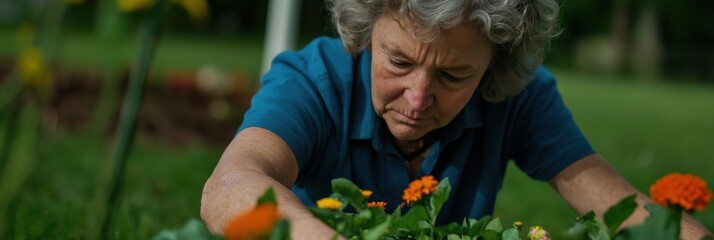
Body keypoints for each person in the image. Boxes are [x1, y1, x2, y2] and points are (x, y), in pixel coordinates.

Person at [201, 0, 713, 239]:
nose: (418, 98)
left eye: (453, 76)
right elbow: (230, 186)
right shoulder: (313, 80)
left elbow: (625, 210)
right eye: (398, 62)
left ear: (497, 65)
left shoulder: (518, 96)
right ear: (364, 33)